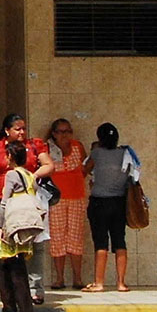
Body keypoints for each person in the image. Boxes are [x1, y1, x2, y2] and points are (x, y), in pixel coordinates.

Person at [0, 113, 54, 304]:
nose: (22, 132)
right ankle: (15, 289)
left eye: (23, 128)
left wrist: (30, 177)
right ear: (7, 130)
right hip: (6, 203)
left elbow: (48, 165)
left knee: (36, 243)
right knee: (10, 246)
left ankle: (35, 288)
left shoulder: (34, 145)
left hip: (30, 202)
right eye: (17, 129)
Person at [82, 122, 131, 293]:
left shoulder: (96, 153)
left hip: (99, 202)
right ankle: (121, 283)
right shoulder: (126, 153)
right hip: (119, 202)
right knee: (120, 241)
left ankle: (99, 283)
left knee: (101, 242)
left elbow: (84, 170)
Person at [0, 141, 38, 312]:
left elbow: (5, 202)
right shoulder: (29, 175)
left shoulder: (12, 175)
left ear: (11, 157)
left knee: (16, 269)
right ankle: (10, 305)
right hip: (25, 226)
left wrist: (1, 226)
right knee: (11, 265)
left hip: (13, 226)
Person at [46, 118, 88, 290]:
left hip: (77, 197)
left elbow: (85, 166)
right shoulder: (48, 149)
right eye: (61, 132)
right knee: (57, 237)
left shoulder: (78, 147)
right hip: (57, 199)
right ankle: (59, 278)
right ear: (54, 134)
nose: (65, 135)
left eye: (68, 131)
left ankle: (78, 278)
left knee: (75, 237)